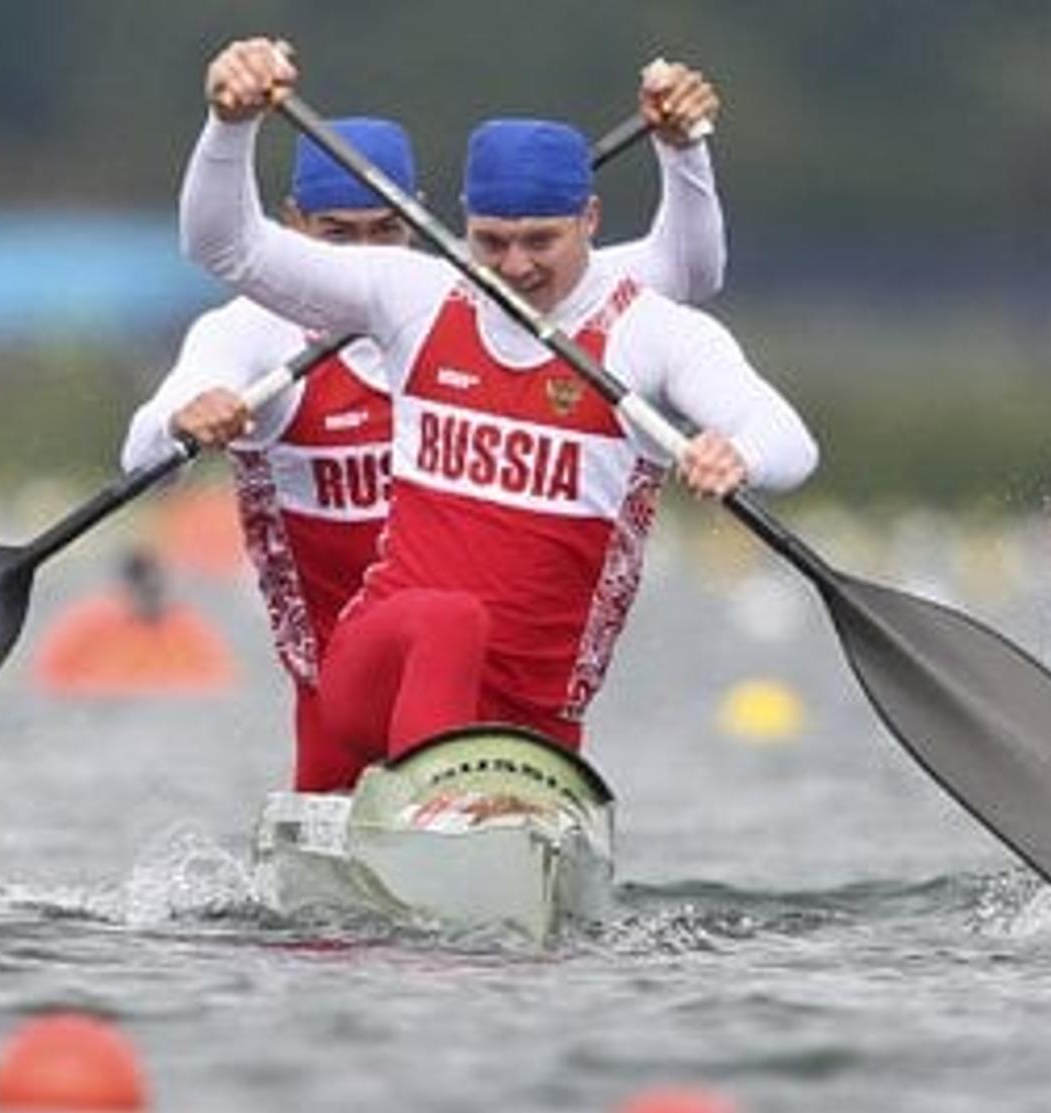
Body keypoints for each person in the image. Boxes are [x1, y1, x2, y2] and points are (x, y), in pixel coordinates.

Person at [182, 38, 818, 790]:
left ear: (589, 218)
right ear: (462, 227)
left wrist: (738, 455)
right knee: (449, 619)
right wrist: (230, 125)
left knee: (493, 683)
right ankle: (437, 814)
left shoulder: (649, 332)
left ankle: (454, 818)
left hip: (534, 721)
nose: (515, 267)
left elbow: (791, 440)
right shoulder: (415, 295)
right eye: (491, 241)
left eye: (539, 241)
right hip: (372, 676)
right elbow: (226, 248)